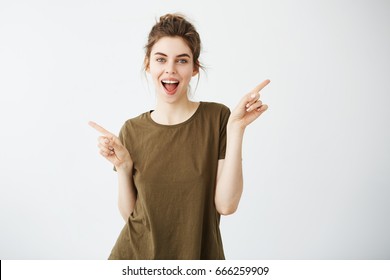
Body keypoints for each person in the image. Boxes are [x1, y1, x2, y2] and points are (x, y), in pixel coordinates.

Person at [89, 13, 270, 260]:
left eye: (182, 61)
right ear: (148, 64)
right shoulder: (131, 130)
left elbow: (226, 205)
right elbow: (133, 218)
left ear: (195, 67)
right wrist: (123, 167)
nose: (170, 70)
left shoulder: (217, 118)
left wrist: (236, 130)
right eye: (161, 59)